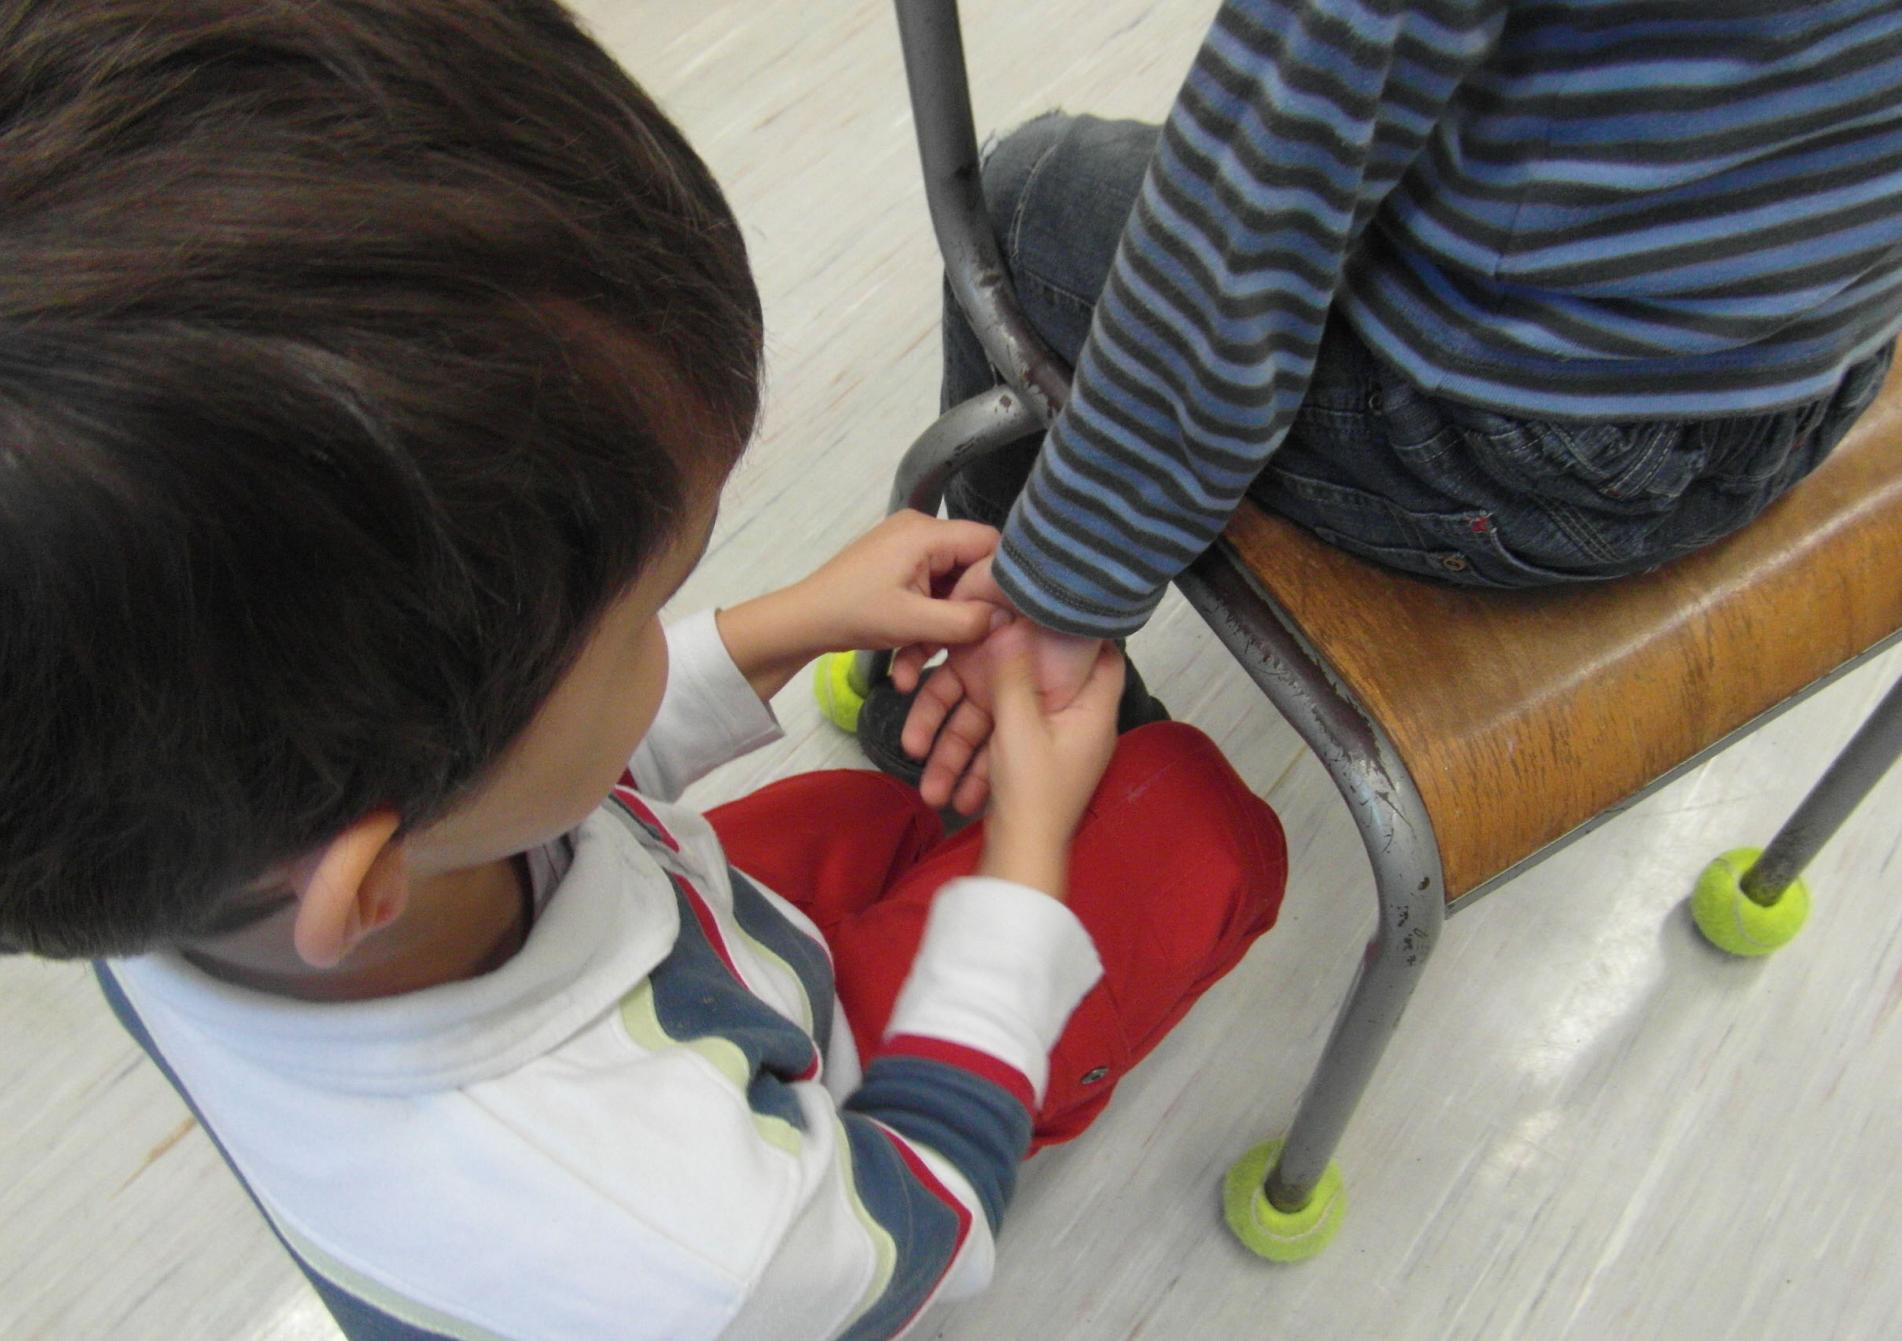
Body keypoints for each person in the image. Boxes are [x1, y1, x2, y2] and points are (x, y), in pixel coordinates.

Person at [0, 3, 1288, 1338]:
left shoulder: (177, 856)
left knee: (860, 819)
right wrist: (1023, 862)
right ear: (369, 873)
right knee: (1203, 822)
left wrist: (791, 621)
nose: (670, 623)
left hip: (685, 932)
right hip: (828, 1174)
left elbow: (517, 784)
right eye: (643, 616)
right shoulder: (685, 1243)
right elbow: (910, 1230)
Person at [874, 0, 1902, 813]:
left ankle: (989, 698)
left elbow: (1251, 213)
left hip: (1512, 448)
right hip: (1819, 376)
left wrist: (1068, 587)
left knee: (1018, 196)